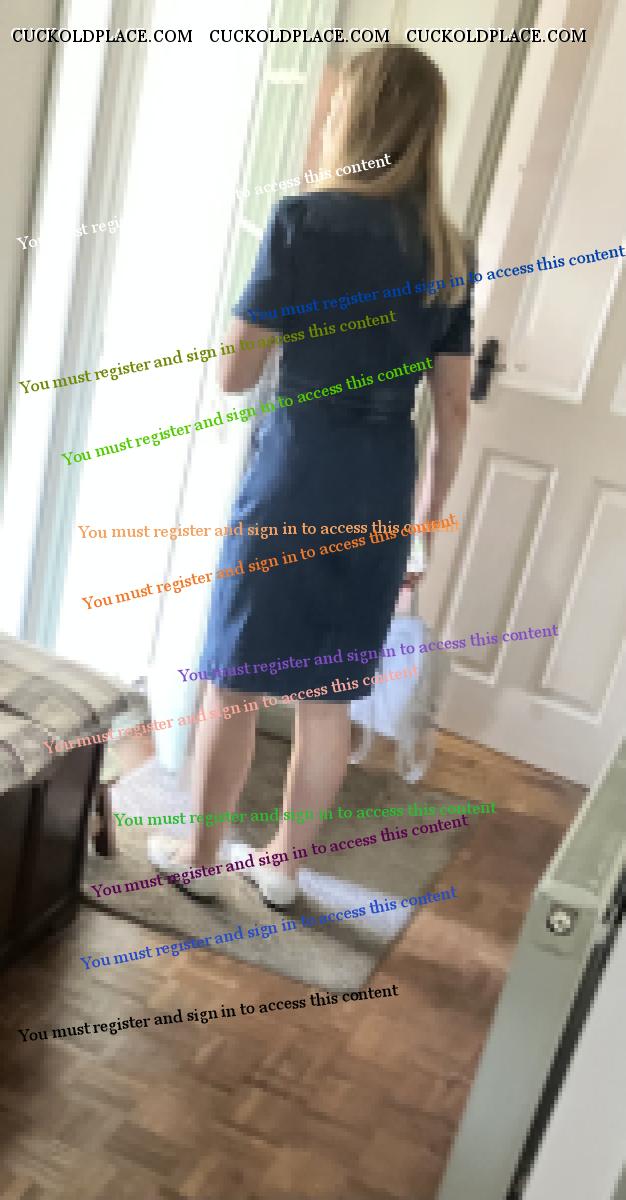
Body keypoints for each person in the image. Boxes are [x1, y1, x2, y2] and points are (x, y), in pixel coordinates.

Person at [149, 46, 473, 909]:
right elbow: (452, 410)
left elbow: (235, 374)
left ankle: (200, 856)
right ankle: (284, 869)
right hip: (379, 486)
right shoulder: (449, 248)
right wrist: (424, 529)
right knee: (330, 696)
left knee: (235, 679)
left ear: (353, 119)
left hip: (297, 475)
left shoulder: (302, 221)